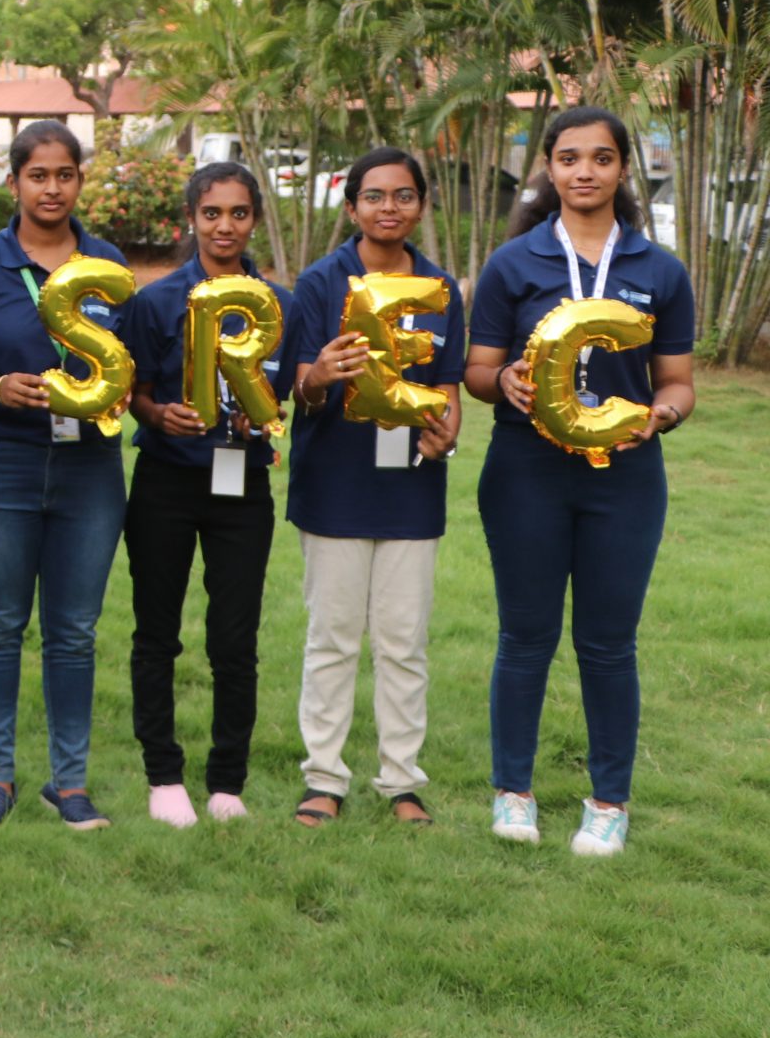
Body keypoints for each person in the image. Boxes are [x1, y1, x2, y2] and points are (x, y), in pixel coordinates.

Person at [464, 105, 694, 857]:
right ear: (549, 168)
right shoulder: (513, 263)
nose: (584, 171)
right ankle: (513, 792)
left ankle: (608, 802)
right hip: (525, 472)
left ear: (623, 168)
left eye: (600, 157)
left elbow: (678, 382)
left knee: (609, 644)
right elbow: (477, 371)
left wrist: (661, 414)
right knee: (524, 636)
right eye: (569, 158)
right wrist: (505, 379)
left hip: (624, 477)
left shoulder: (659, 270)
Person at [0, 120, 124, 832]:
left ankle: (69, 783)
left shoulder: (107, 263)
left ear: (80, 181)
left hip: (89, 469)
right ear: (13, 182)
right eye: (37, 175)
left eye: (64, 175)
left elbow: (130, 365)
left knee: (73, 631)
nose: (52, 188)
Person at [285, 147, 463, 829]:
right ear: (352, 206)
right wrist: (321, 375)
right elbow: (300, 390)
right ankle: (323, 778)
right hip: (335, 483)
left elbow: (447, 386)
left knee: (403, 641)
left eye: (403, 196)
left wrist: (447, 431)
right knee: (332, 638)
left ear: (421, 204)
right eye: (375, 196)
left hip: (411, 488)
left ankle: (402, 780)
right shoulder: (321, 282)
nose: (389, 208)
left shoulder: (440, 287)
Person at [119, 162, 295, 828]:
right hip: (167, 482)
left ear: (255, 220)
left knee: (234, 639)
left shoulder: (279, 303)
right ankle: (163, 775)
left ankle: (227, 781)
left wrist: (265, 419)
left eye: (239, 213)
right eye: (212, 213)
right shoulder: (157, 301)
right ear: (191, 218)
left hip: (242, 486)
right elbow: (132, 392)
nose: (225, 226)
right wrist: (158, 414)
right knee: (157, 634)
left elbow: (285, 396)